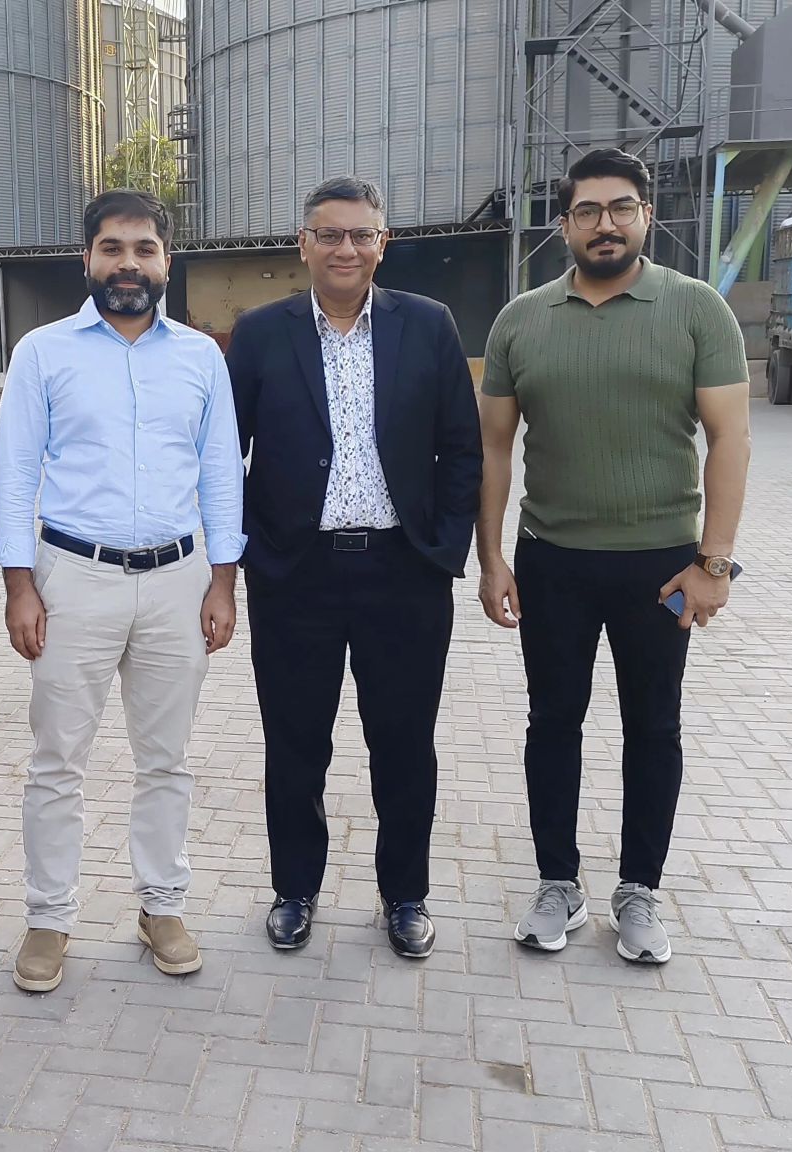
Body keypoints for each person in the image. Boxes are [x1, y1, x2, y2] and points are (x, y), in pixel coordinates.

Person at [477, 147, 752, 965]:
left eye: (621, 208)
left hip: (661, 569)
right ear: (564, 225)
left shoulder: (696, 309)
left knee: (654, 727)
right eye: (589, 211)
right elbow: (494, 449)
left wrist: (714, 564)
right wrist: (491, 559)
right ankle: (557, 882)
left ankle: (639, 891)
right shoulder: (521, 319)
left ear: (645, 216)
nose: (607, 224)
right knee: (552, 723)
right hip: (552, 562)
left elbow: (731, 438)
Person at [0, 189, 245, 993]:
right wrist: (19, 586)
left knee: (166, 760)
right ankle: (48, 918)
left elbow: (221, 473)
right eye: (112, 248)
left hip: (178, 581)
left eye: (143, 249)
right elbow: (14, 475)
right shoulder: (43, 353)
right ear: (87, 258)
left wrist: (223, 581)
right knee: (56, 761)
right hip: (74, 579)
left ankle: (162, 905)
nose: (128, 264)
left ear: (167, 260)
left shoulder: (200, 358)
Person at [226, 177, 482, 959]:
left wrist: (442, 549)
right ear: (303, 244)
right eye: (330, 235)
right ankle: (294, 890)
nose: (346, 248)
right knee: (295, 744)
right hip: (295, 575)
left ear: (382, 243)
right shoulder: (260, 333)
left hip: (403, 573)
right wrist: (250, 551)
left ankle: (405, 895)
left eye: (361, 234)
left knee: (403, 744)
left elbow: (462, 447)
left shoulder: (428, 325)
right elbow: (222, 452)